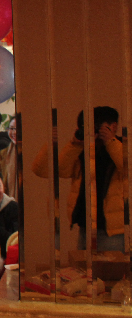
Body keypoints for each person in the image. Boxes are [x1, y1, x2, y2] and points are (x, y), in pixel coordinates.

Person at [56, 107, 123, 252]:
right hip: (85, 224)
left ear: (113, 126)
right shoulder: (83, 149)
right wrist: (75, 144)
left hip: (111, 229)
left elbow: (126, 167)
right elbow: (61, 170)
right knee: (83, 265)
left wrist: (110, 141)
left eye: (97, 127)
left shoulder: (122, 146)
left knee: (112, 266)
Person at [0, 117, 17, 199]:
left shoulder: (32, 152)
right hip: (8, 200)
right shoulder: (3, 153)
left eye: (18, 128)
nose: (14, 132)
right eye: (11, 128)